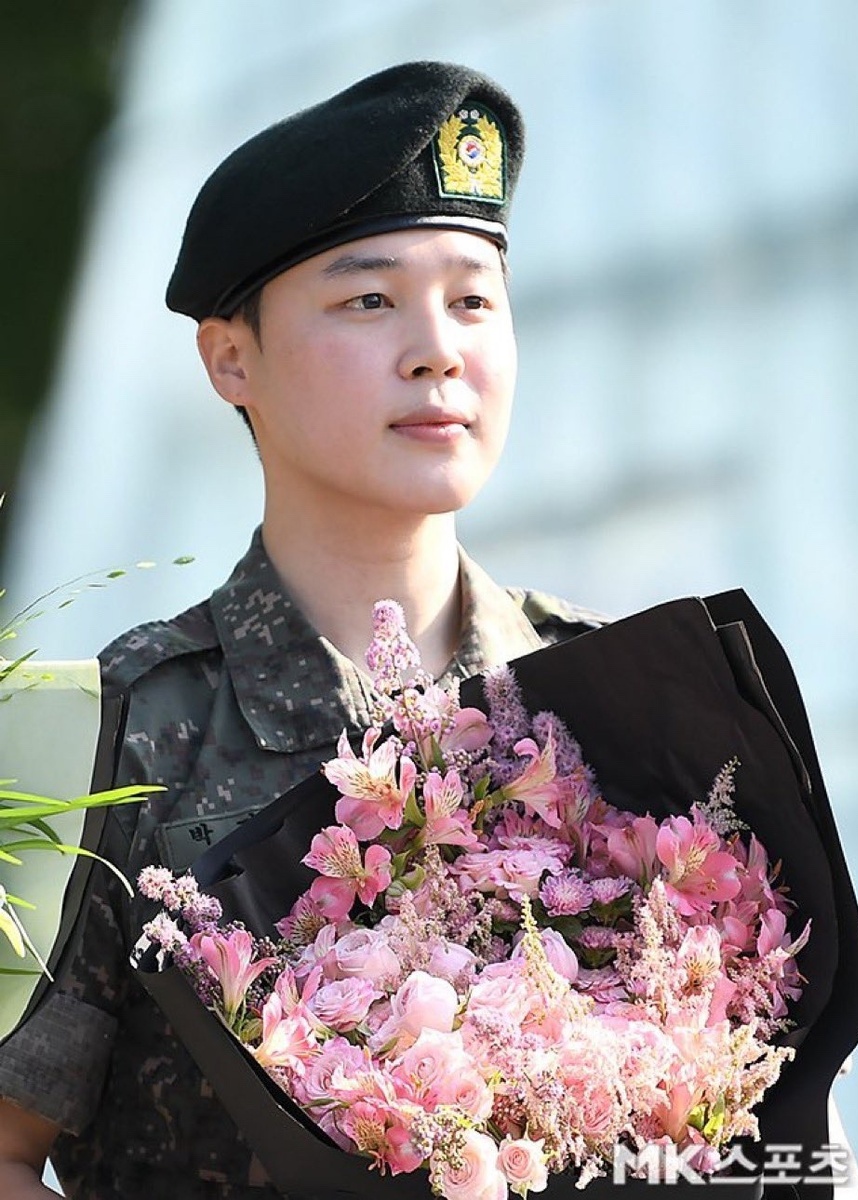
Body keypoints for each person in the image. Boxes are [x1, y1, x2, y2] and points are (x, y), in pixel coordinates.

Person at [0, 62, 606, 1198]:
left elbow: (774, 1132)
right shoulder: (110, 735)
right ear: (232, 358)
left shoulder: (618, 693)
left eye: (472, 300)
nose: (436, 349)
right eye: (369, 300)